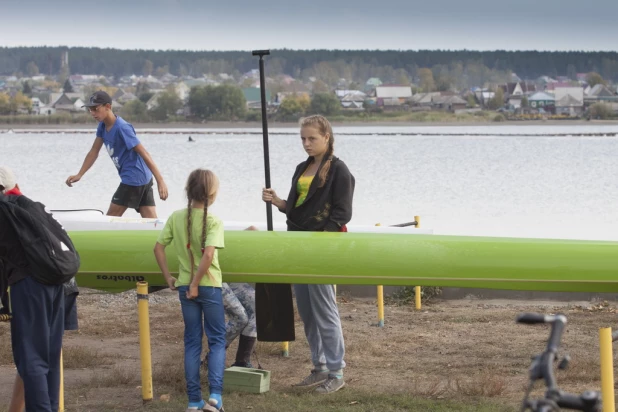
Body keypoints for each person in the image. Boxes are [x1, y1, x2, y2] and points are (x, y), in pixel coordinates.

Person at [261, 115, 355, 394]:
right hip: (296, 244)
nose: (306, 143)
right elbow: (298, 209)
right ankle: (320, 367)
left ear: (326, 137)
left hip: (321, 248)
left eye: (312, 138)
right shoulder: (302, 168)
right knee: (307, 310)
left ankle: (337, 372)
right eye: (303, 138)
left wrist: (321, 241)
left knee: (324, 309)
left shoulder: (339, 171)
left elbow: (342, 212)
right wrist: (278, 202)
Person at [0, 167, 80, 412]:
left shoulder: (4, 211)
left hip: (30, 285)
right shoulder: (29, 205)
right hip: (61, 285)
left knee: (31, 358)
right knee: (49, 355)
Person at [153, 169, 226, 412]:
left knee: (193, 342)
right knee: (216, 340)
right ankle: (215, 396)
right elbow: (208, 254)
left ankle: (194, 400)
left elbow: (158, 249)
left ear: (188, 191)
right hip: (208, 285)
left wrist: (169, 278)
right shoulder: (214, 221)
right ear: (212, 193)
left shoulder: (176, 217)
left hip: (184, 286)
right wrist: (197, 283)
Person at [65, 90, 168, 218]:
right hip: (143, 177)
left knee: (111, 218)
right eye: (90, 110)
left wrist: (161, 181)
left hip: (133, 178)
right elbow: (94, 151)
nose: (92, 113)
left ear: (108, 107)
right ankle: (161, 237)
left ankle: (101, 238)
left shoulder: (122, 128)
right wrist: (80, 174)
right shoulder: (102, 126)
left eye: (95, 109)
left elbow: (144, 153)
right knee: (151, 221)